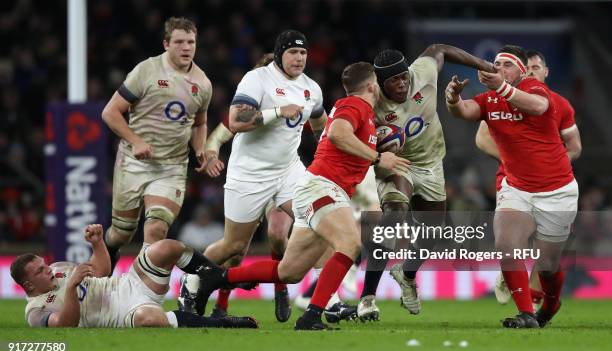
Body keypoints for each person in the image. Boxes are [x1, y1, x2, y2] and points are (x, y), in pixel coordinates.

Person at [195, 61, 410, 330]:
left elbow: (331, 132)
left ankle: (219, 278)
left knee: (290, 272)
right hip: (322, 187)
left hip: (320, 189)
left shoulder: (365, 113)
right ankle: (312, 316)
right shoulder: (353, 105)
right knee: (350, 243)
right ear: (371, 86)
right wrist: (378, 157)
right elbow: (336, 133)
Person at [192, 30, 326, 321]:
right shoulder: (255, 85)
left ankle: (312, 296)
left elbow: (321, 128)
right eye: (293, 52)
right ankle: (194, 286)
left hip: (288, 172)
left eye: (303, 53)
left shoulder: (310, 89)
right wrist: (211, 154)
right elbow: (227, 129)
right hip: (251, 176)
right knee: (235, 248)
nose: (299, 58)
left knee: (311, 225)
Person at [357, 45, 494, 321]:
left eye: (404, 77)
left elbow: (439, 48)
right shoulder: (370, 103)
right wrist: (376, 158)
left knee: (433, 233)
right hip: (397, 164)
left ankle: (406, 274)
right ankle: (367, 299)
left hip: (431, 164)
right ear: (381, 84)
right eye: (394, 81)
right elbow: (352, 138)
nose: (402, 83)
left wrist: (485, 66)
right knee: (394, 215)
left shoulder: (422, 73)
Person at [445, 45, 578, 328]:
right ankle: (526, 314)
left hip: (557, 190)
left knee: (548, 265)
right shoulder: (491, 98)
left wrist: (503, 88)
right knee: (507, 244)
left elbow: (539, 107)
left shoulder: (536, 89)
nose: (499, 69)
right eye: (496, 64)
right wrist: (453, 99)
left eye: (507, 64)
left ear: (521, 70)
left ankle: (551, 303)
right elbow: (464, 112)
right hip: (516, 186)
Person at [101, 17, 212, 271]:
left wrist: (200, 150)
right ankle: (110, 249)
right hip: (133, 161)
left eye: (191, 42)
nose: (186, 47)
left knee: (156, 227)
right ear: (166, 44)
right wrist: (135, 140)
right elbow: (110, 112)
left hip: (171, 167)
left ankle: (141, 291)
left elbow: (199, 123)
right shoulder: (146, 71)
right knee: (122, 232)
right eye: (179, 42)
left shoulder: (203, 84)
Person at [10, 224, 257, 329]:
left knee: (165, 247)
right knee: (148, 318)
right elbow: (66, 325)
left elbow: (101, 271)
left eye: (45, 265)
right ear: (29, 284)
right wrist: (72, 288)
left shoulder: (58, 268)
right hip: (122, 312)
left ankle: (221, 277)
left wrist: (97, 244)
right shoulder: (36, 311)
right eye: (41, 271)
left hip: (128, 283)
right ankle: (223, 323)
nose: (48, 269)